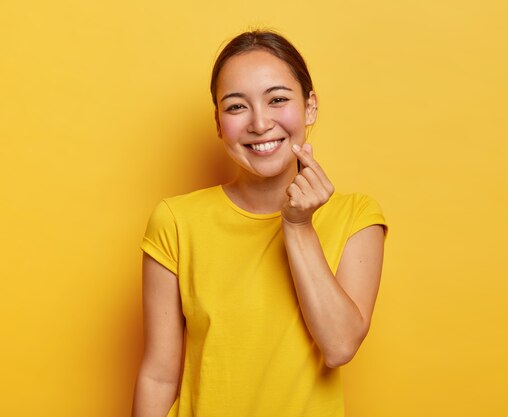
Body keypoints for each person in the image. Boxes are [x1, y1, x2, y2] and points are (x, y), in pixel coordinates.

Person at [132, 30, 388, 417]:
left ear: (310, 107)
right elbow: (158, 375)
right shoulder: (176, 221)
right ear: (218, 123)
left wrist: (299, 226)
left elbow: (339, 346)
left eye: (278, 99)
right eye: (236, 107)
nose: (259, 123)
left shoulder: (357, 217)